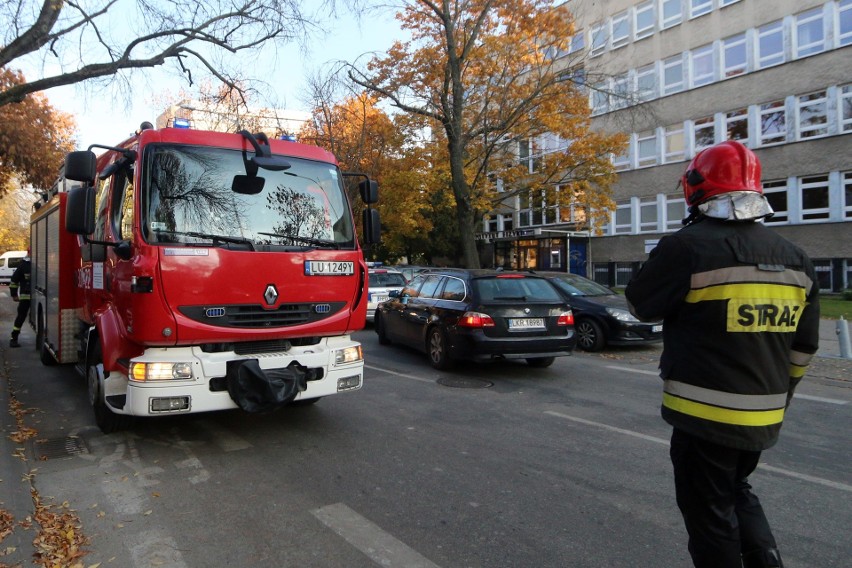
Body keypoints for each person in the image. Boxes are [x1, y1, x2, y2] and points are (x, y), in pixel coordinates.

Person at [624, 141, 820, 568]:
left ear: (696, 188)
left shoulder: (688, 247)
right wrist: (778, 394)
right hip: (764, 415)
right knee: (736, 490)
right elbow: (804, 347)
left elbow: (641, 304)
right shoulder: (797, 258)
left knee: (709, 517)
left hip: (704, 416)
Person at [9, 249, 32, 348]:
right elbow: (14, 281)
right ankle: (14, 338)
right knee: (21, 317)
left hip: (40, 296)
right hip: (26, 297)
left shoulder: (41, 263)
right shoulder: (23, 265)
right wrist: (14, 294)